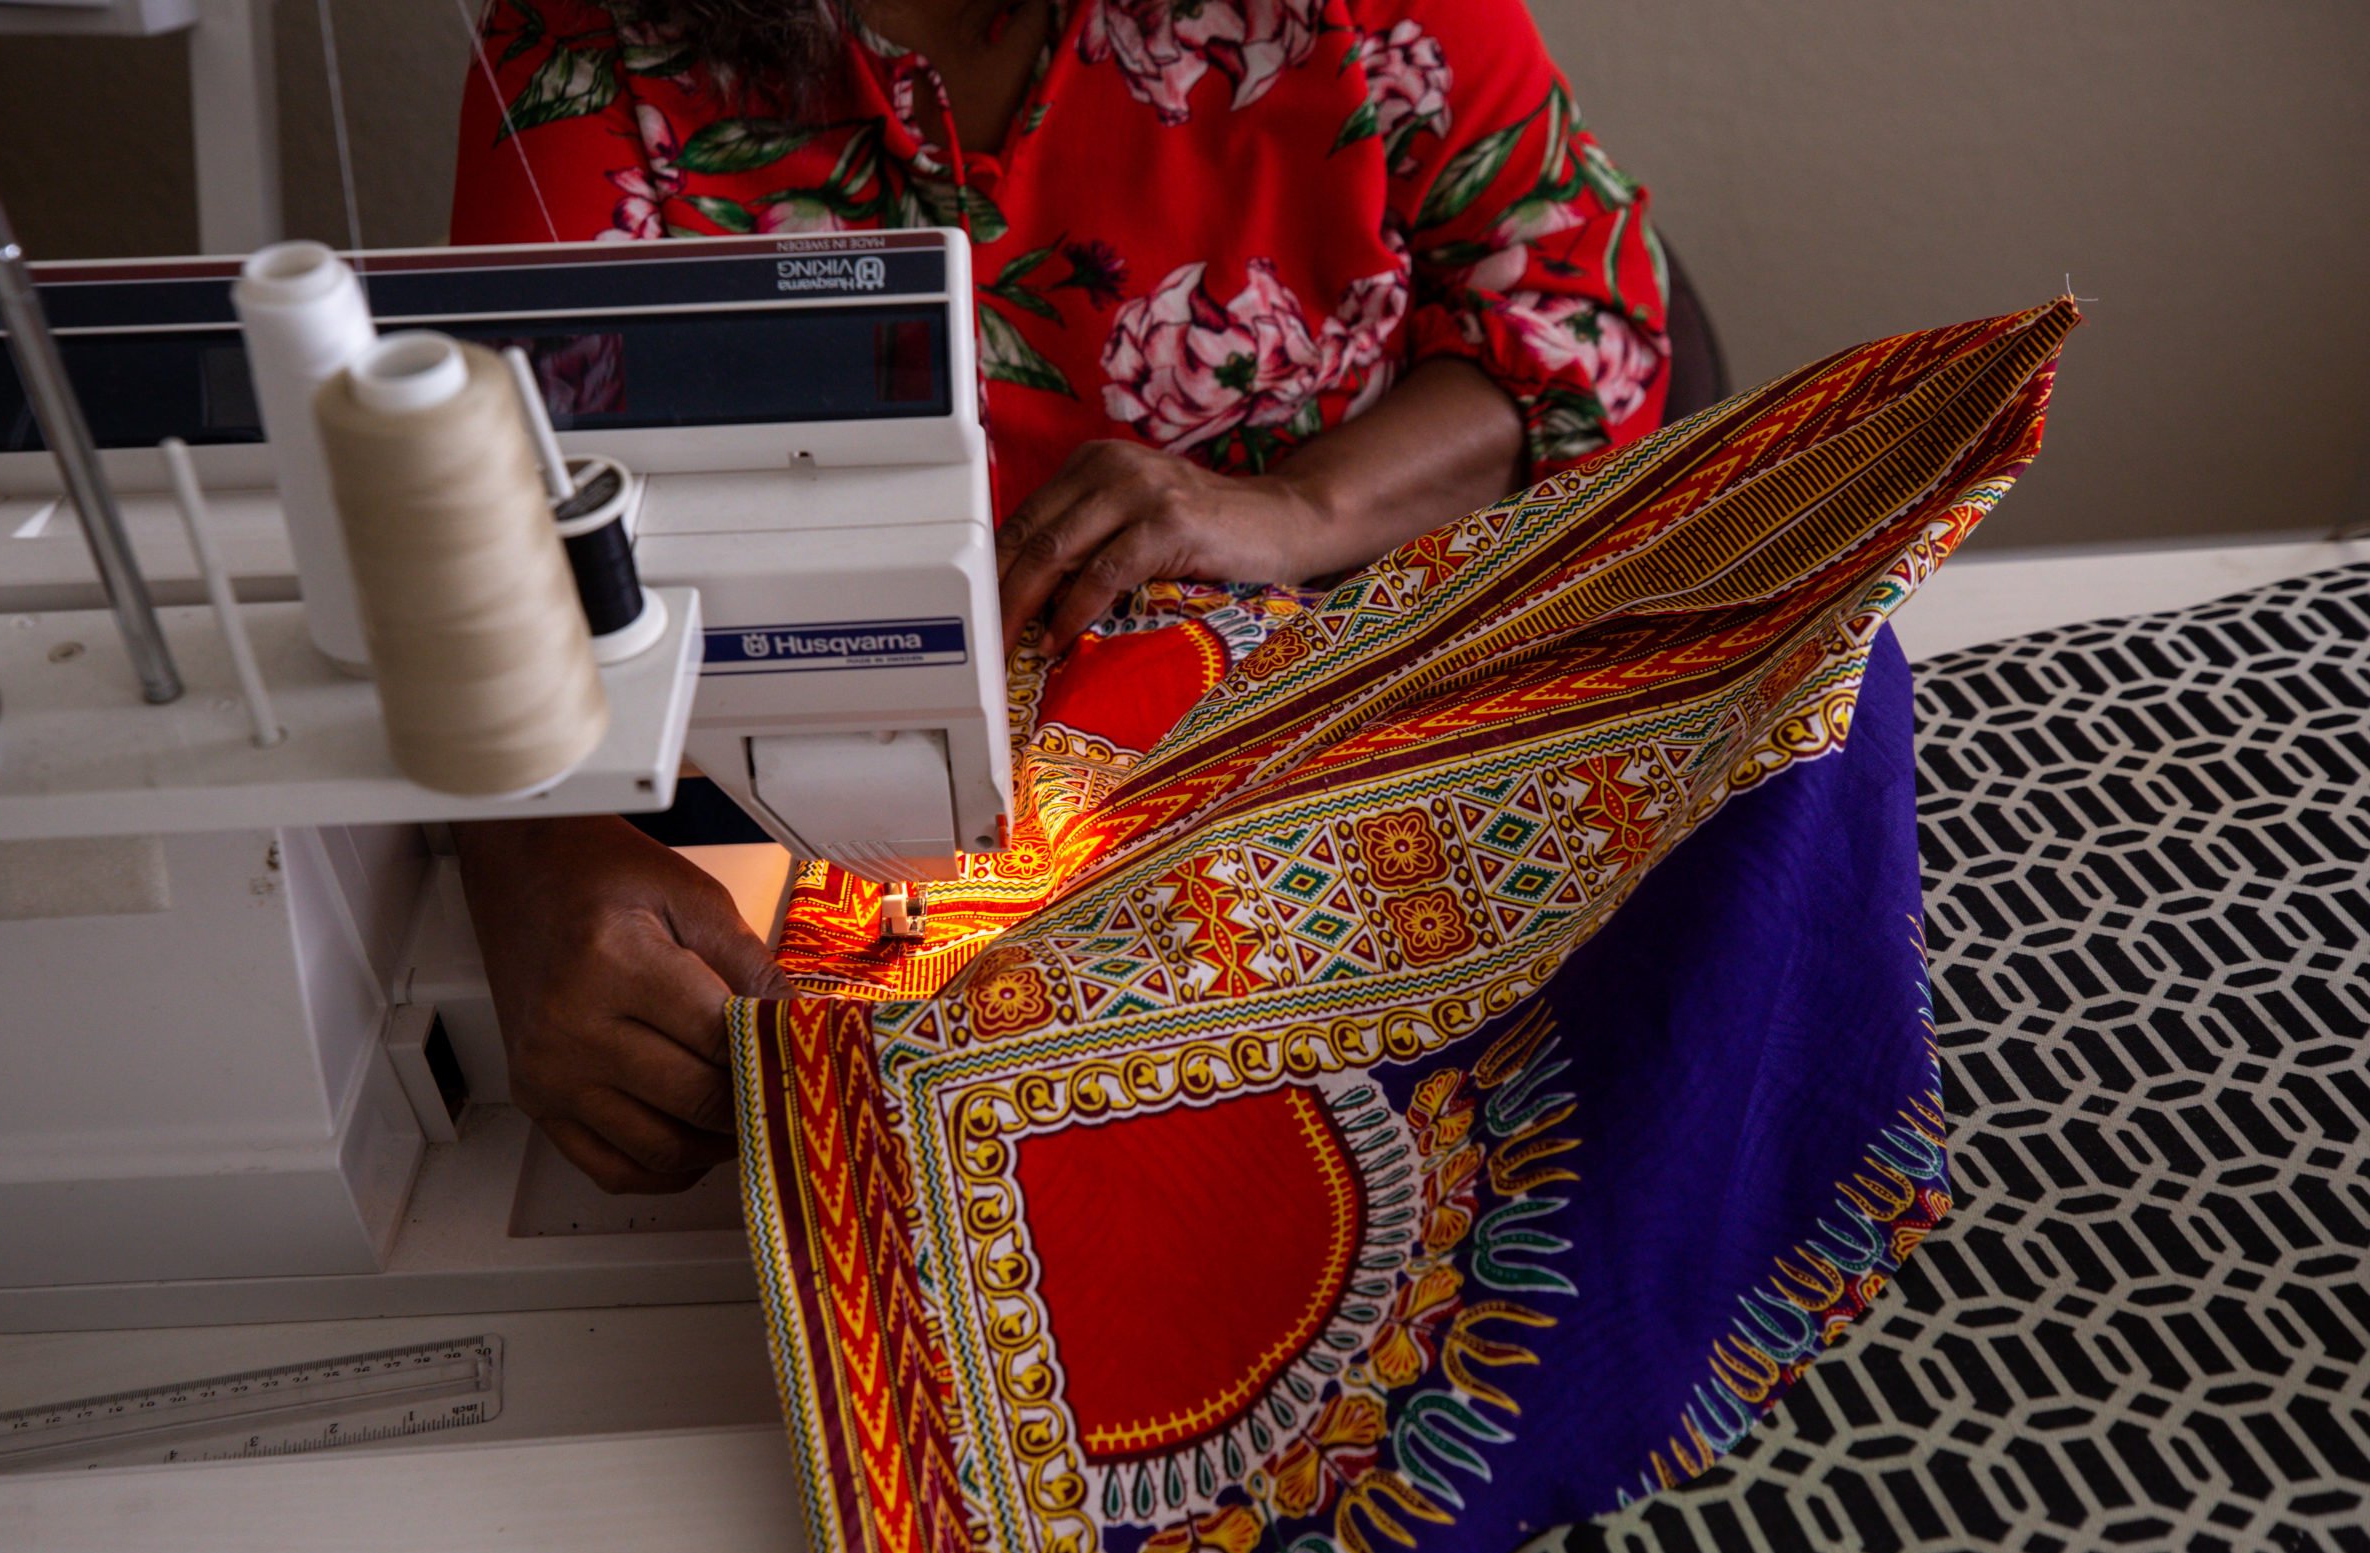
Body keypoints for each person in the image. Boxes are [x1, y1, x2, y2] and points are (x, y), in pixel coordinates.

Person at [446, 0, 1669, 1195]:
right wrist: (535, 852)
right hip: (803, 805)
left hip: (1329, 752)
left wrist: (1303, 509)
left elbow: (1579, 327)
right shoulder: (595, 40)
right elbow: (495, 523)